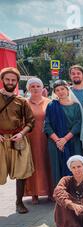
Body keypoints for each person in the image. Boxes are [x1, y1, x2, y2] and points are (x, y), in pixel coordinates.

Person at [0, 67, 35, 214]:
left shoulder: (22, 101)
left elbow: (30, 121)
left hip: (18, 140)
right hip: (0, 140)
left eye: (13, 80)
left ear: (17, 82)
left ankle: (19, 202)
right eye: (7, 79)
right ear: (2, 80)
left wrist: (21, 133)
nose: (10, 82)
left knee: (21, 173)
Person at [44, 80, 83, 190]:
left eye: (62, 89)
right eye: (57, 90)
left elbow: (78, 124)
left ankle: (76, 193)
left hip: (72, 141)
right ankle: (60, 195)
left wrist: (65, 139)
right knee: (57, 168)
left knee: (75, 168)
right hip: (55, 143)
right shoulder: (52, 106)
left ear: (67, 90)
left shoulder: (76, 106)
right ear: (55, 92)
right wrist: (58, 141)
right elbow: (47, 125)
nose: (60, 92)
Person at [24, 78, 53, 204]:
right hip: (30, 138)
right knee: (32, 164)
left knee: (48, 162)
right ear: (28, 88)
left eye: (38, 86)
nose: (35, 88)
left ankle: (50, 191)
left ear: (42, 88)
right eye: (32, 86)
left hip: (46, 138)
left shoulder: (50, 102)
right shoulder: (24, 103)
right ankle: (33, 193)